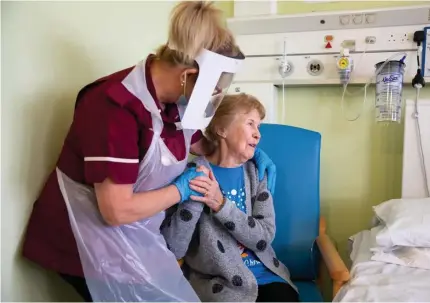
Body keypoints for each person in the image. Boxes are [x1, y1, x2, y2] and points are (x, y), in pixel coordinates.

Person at [21, 2, 276, 302]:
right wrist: (180, 190)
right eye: (215, 86)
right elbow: (116, 210)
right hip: (84, 240)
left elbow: (199, 144)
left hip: (135, 234)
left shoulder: (178, 102)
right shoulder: (114, 107)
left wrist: (247, 152)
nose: (215, 95)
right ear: (190, 74)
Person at [161, 93, 299, 302]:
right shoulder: (192, 176)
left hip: (266, 277)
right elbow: (174, 248)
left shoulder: (257, 175)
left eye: (258, 127)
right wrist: (193, 199)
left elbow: (264, 237)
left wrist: (221, 205)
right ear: (221, 129)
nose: (258, 134)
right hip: (219, 284)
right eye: (250, 123)